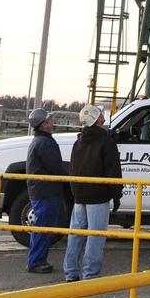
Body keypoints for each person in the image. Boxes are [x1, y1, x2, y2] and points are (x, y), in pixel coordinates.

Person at [63, 104, 122, 282]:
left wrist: (75, 192)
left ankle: (71, 272)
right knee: (95, 236)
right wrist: (116, 194)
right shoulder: (106, 142)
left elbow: (73, 169)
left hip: (80, 196)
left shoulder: (78, 142)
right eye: (101, 117)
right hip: (98, 197)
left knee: (76, 234)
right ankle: (91, 274)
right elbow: (113, 171)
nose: (103, 119)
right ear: (98, 120)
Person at [25, 108, 65, 275]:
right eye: (48, 121)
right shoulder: (44, 143)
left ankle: (37, 260)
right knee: (43, 227)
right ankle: (35, 262)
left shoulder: (40, 141)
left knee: (43, 227)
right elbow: (55, 166)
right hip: (46, 191)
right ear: (42, 125)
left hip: (42, 190)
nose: (51, 122)